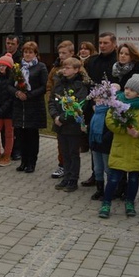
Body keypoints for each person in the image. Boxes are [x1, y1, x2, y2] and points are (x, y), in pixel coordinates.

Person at [98, 73, 139, 219]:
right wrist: (123, 129)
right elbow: (110, 121)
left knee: (133, 179)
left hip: (136, 151)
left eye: (131, 89)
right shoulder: (118, 104)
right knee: (113, 178)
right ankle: (106, 203)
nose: (127, 91)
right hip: (120, 148)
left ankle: (130, 202)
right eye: (126, 88)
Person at [49, 57, 90, 192]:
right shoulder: (59, 84)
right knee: (64, 152)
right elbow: (52, 101)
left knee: (73, 153)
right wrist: (55, 116)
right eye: (64, 67)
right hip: (60, 125)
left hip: (73, 126)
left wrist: (63, 118)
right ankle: (66, 177)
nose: (64, 70)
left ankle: (73, 179)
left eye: (68, 68)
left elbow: (79, 107)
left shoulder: (80, 86)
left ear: (76, 70)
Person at [82, 33, 117, 187]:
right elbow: (88, 83)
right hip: (93, 107)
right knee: (95, 142)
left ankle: (114, 178)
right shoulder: (93, 61)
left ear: (114, 44)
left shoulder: (117, 62)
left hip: (111, 108)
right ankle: (96, 175)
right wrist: (92, 103)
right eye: (100, 42)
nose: (102, 45)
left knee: (109, 143)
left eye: (106, 43)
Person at [13, 41, 48, 173]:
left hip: (34, 105)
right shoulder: (17, 67)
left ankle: (31, 162)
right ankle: (23, 161)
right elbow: (10, 85)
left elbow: (44, 87)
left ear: (35, 54)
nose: (27, 55)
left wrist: (29, 95)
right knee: (21, 135)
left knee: (32, 136)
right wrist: (17, 92)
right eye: (25, 52)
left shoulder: (40, 67)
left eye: (30, 52)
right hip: (19, 106)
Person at [47, 40, 78, 179]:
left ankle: (71, 173)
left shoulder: (78, 70)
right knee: (61, 144)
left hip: (71, 116)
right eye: (59, 53)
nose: (61, 55)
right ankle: (63, 167)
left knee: (72, 149)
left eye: (64, 53)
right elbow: (50, 86)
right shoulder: (55, 70)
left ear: (72, 53)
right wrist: (54, 111)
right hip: (58, 111)